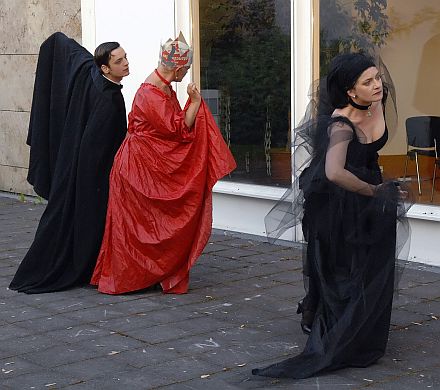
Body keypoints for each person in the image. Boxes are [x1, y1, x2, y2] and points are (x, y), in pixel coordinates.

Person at [253, 52, 411, 378]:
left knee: (372, 262)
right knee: (341, 265)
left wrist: (377, 185)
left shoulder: (378, 100)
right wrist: (376, 191)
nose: (378, 84)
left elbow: (371, 147)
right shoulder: (340, 125)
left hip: (366, 186)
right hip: (336, 198)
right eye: (368, 82)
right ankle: (334, 322)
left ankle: (360, 323)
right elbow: (335, 173)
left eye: (377, 77)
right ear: (351, 92)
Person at [90, 32, 236, 295]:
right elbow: (179, 129)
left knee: (147, 225)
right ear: (178, 68)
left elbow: (169, 129)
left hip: (144, 166)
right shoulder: (152, 93)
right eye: (187, 68)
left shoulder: (162, 88)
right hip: (136, 170)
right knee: (139, 228)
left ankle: (149, 273)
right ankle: (131, 277)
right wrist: (195, 102)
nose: (186, 73)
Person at [9, 32, 129, 293]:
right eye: (119, 61)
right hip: (92, 178)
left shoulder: (93, 80)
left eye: (125, 57)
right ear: (105, 68)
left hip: (85, 173)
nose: (126, 63)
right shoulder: (108, 99)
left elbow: (66, 47)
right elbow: (97, 147)